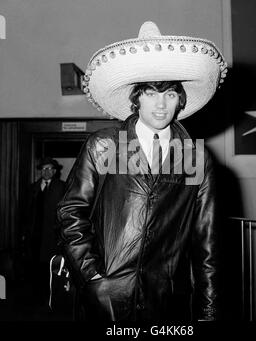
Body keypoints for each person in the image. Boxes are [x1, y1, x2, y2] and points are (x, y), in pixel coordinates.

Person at [57, 21, 228, 322]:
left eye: (171, 94)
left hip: (168, 305)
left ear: (181, 99)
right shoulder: (105, 145)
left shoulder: (196, 156)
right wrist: (94, 278)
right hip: (104, 301)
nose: (161, 105)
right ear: (136, 98)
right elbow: (71, 211)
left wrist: (208, 312)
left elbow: (207, 244)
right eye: (151, 93)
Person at [23, 157, 65, 305]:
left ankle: (52, 297)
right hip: (35, 234)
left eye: (49, 169)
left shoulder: (61, 187)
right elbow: (26, 212)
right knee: (35, 266)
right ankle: (36, 297)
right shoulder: (33, 187)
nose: (46, 171)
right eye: (43, 169)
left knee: (50, 266)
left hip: (51, 236)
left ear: (54, 171)